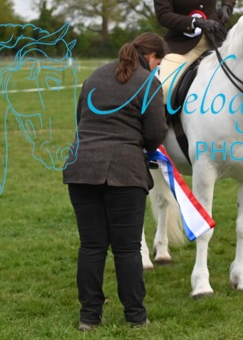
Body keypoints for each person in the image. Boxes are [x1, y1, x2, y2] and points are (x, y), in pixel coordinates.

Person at [63, 33, 168, 330]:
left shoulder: (95, 76)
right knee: (127, 249)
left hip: (81, 168)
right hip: (124, 172)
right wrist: (145, 148)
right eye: (158, 63)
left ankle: (89, 316)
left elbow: (80, 118)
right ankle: (135, 316)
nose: (156, 69)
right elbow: (156, 132)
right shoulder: (148, 83)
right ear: (151, 57)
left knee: (91, 246)